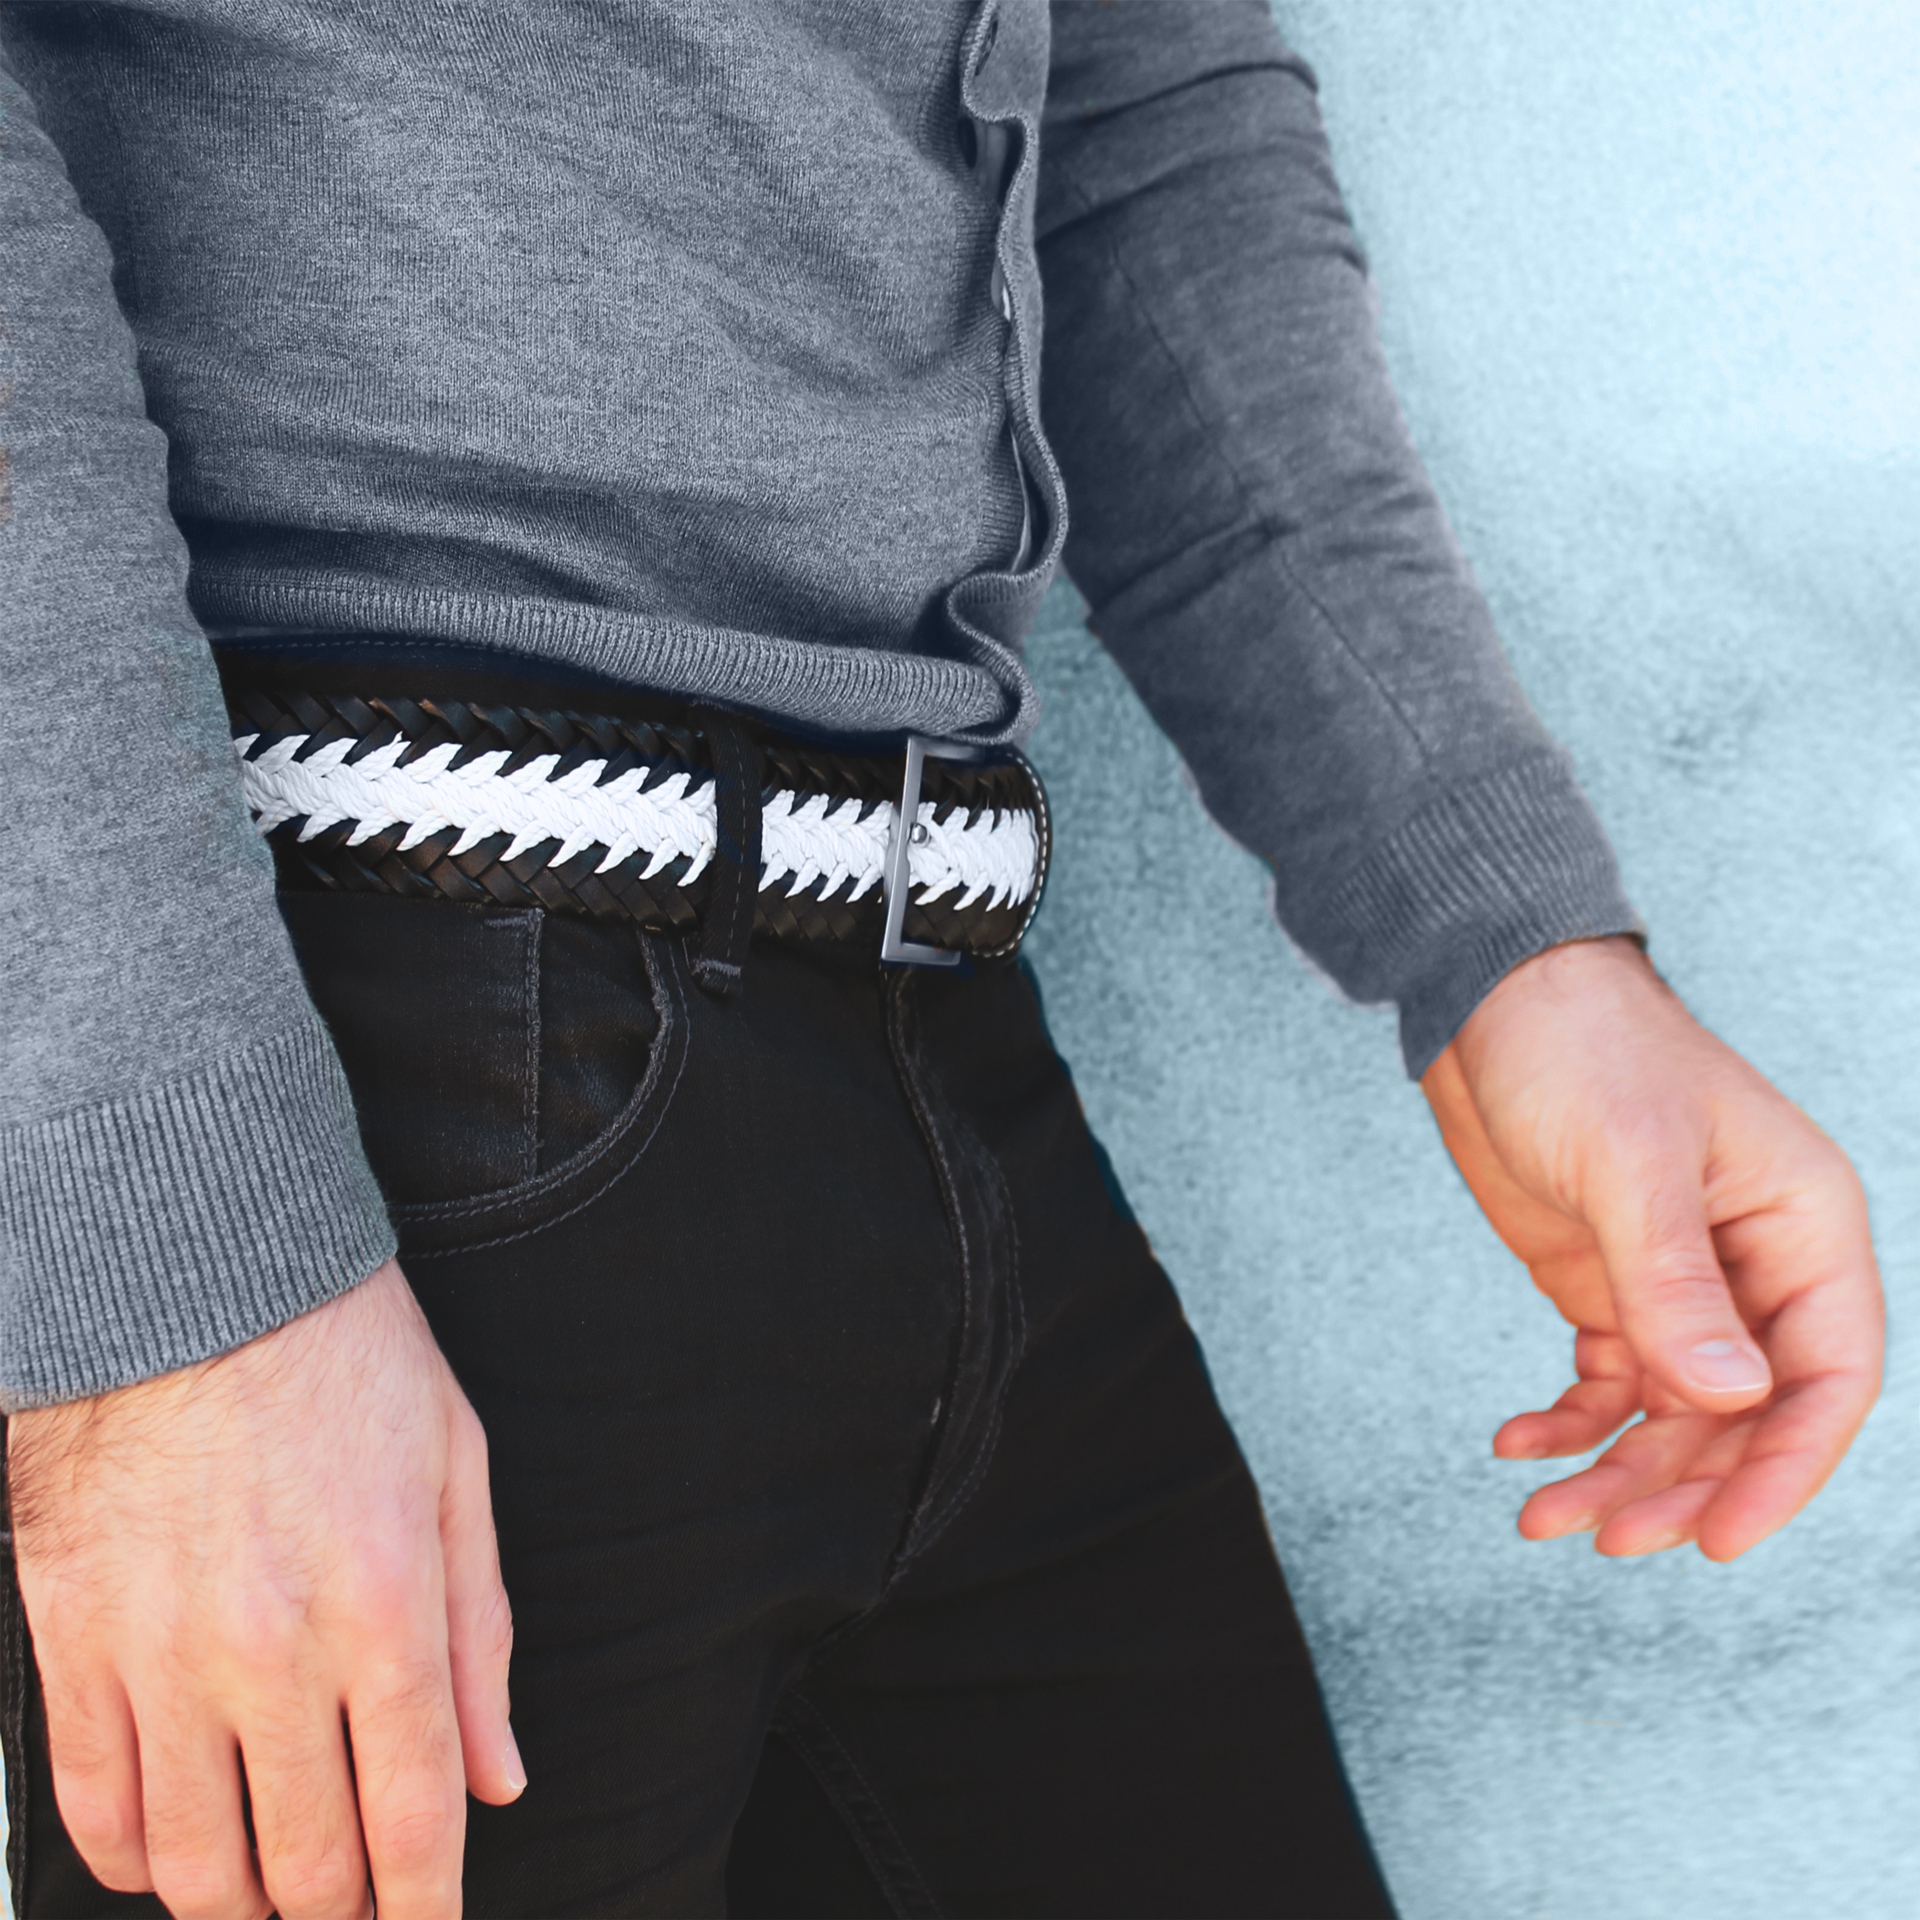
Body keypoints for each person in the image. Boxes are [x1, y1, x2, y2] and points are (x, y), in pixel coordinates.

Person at [0, 1, 1882, 1915]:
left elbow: (1129, 101)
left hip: (944, 1080)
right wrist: (170, 1278)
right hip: (366, 1128)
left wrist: (1510, 943)